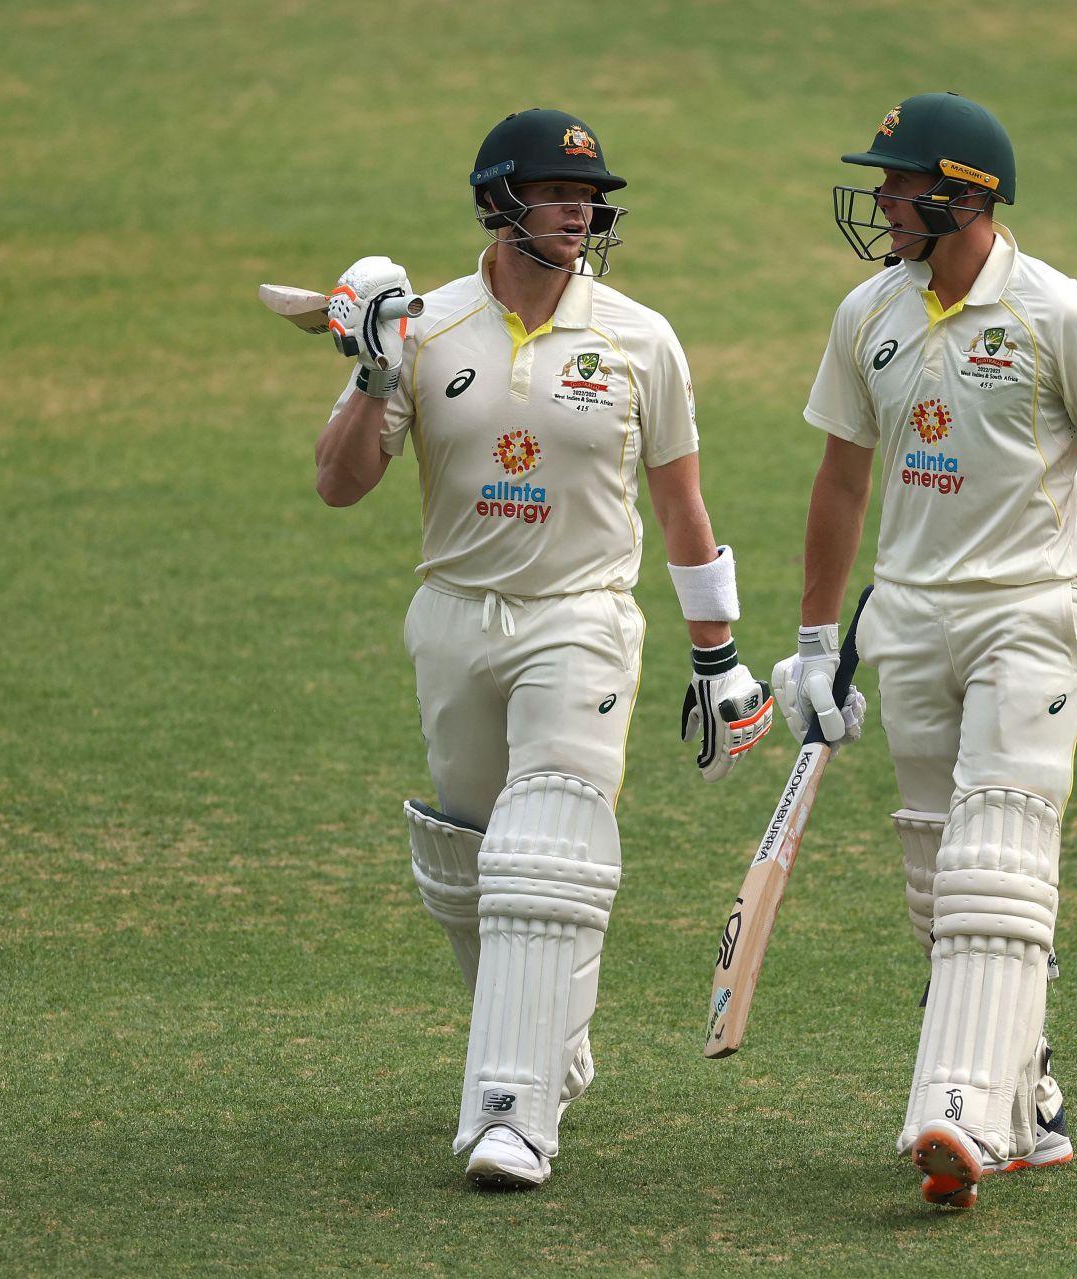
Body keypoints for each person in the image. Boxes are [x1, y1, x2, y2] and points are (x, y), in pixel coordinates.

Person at [771, 92, 1077, 1209]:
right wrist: (815, 639)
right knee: (938, 876)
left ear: (959, 194)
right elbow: (841, 481)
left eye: (894, 182)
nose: (877, 200)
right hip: (911, 618)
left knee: (996, 861)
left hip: (1032, 611)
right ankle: (1030, 1101)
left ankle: (960, 1116)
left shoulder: (1059, 314)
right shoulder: (867, 312)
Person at [311, 108, 773, 1191]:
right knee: (471, 863)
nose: (582, 210)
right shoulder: (421, 327)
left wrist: (720, 654)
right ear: (496, 200)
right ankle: (549, 1044)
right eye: (558, 193)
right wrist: (373, 373)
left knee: (544, 850)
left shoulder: (639, 338)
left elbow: (683, 506)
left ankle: (509, 1116)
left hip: (581, 617)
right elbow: (338, 483)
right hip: (455, 615)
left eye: (590, 196)